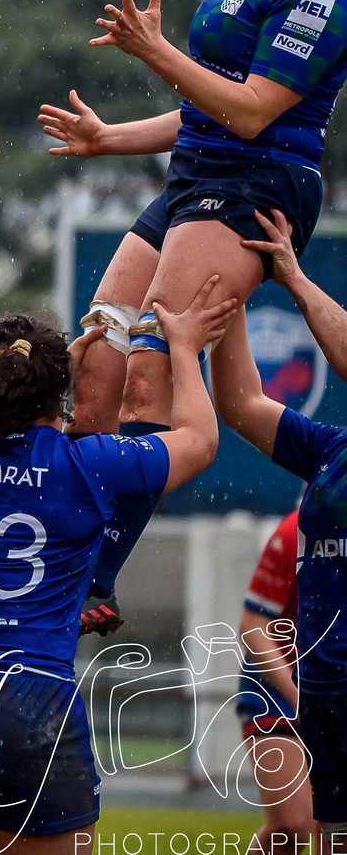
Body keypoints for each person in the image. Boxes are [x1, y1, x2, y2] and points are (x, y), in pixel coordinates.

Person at [39, 0, 347, 624]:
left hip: (255, 184)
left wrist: (154, 49)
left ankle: (90, 582)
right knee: (97, 361)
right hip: (192, 179)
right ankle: (70, 550)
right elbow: (201, 106)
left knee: (151, 371)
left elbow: (249, 113)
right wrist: (111, 138)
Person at [0, 300, 226, 854]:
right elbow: (200, 441)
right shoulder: (89, 463)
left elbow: (15, 434)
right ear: (58, 391)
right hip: (26, 697)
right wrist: (187, 351)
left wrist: (49, 377)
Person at [210, 208, 347, 846]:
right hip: (325, 690)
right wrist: (231, 298)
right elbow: (241, 405)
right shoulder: (331, 451)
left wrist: (291, 276)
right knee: (323, 837)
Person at [237, 510, 313, 855]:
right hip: (276, 691)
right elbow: (253, 627)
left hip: (331, 687)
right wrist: (299, 698)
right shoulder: (298, 528)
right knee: (292, 825)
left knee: (335, 826)